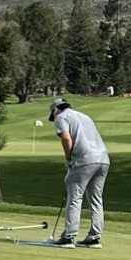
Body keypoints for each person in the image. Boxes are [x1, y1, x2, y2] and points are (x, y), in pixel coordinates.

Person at [49, 98, 109, 248]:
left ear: (56, 110)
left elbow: (66, 137)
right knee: (96, 199)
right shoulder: (84, 116)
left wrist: (68, 158)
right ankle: (94, 238)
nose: (54, 118)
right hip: (103, 160)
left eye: (53, 115)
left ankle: (69, 236)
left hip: (84, 160)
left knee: (75, 198)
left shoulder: (61, 117)